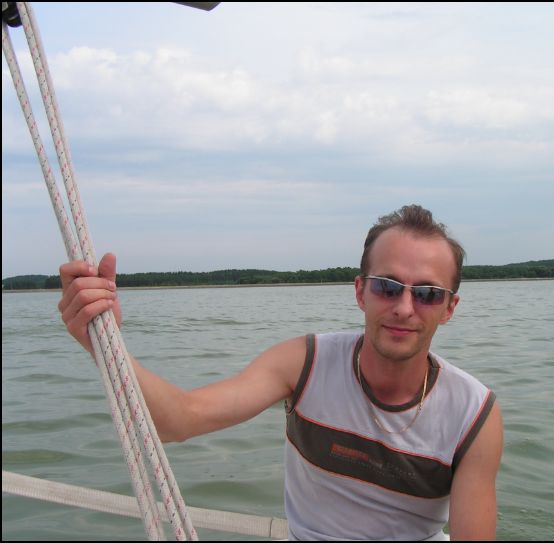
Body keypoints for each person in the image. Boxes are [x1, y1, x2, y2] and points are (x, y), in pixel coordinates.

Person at [58, 204, 503, 541]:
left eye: (427, 294)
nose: (404, 307)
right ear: (360, 292)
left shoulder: (472, 415)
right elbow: (179, 420)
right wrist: (103, 343)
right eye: (387, 286)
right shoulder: (304, 364)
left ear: (449, 308)